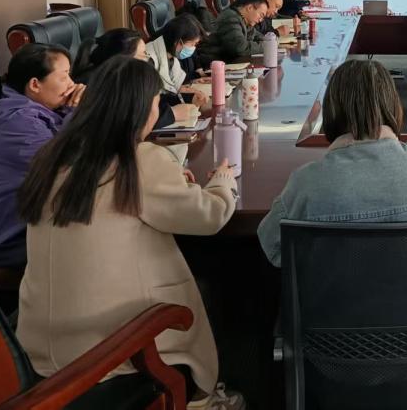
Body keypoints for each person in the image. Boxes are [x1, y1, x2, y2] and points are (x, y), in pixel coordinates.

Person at [16, 57, 243, 409]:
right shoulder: (139, 160)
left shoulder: (53, 154)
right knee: (220, 286)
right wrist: (223, 180)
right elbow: (209, 216)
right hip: (109, 350)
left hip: (43, 344)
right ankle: (203, 398)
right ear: (141, 108)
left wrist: (168, 182)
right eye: (156, 102)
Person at [257, 59, 407, 267]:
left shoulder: (306, 183)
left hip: (329, 289)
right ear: (393, 104)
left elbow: (271, 245)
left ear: (332, 110)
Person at [0, 44, 84, 271]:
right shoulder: (20, 126)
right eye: (64, 77)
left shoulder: (38, 111)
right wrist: (78, 114)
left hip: (16, 227)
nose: (72, 84)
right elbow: (70, 170)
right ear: (35, 84)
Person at [74, 28, 196, 129]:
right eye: (143, 54)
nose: (147, 58)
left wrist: (185, 98)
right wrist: (172, 114)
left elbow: (145, 101)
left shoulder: (120, 77)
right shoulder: (97, 85)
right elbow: (126, 124)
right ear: (124, 58)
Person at [147, 14, 210, 106]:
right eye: (193, 44)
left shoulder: (171, 56)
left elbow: (171, 86)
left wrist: (191, 83)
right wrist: (186, 98)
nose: (193, 48)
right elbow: (150, 101)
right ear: (178, 42)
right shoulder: (148, 60)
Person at [196, 0, 270, 65]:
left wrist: (268, 42)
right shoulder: (230, 18)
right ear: (250, 8)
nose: (261, 20)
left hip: (227, 62)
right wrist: (267, 46)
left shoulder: (245, 20)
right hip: (213, 64)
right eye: (261, 15)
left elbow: (259, 36)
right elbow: (240, 48)